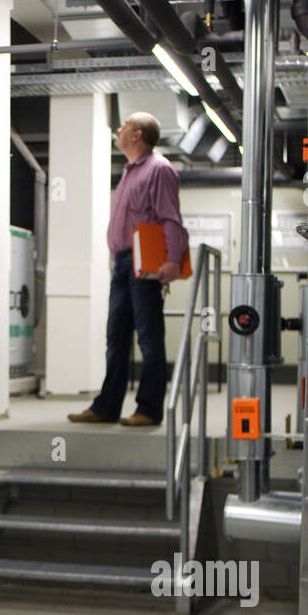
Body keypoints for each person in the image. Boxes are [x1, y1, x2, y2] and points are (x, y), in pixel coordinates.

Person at [68, 112, 185, 427]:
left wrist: (173, 259)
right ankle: (105, 407)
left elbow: (170, 217)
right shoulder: (129, 172)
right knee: (116, 337)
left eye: (124, 127)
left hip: (144, 261)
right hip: (122, 262)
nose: (118, 131)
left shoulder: (159, 170)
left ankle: (149, 409)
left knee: (148, 338)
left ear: (137, 134)